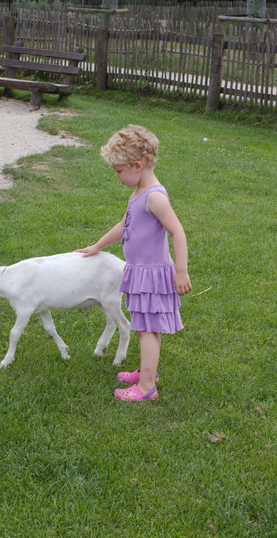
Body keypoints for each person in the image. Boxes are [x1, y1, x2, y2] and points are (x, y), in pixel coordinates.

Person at [77, 125, 191, 402]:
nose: (116, 176)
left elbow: (178, 231)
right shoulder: (140, 192)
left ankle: (147, 387)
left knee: (146, 330)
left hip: (151, 275)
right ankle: (147, 372)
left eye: (118, 171)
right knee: (147, 328)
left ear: (137, 166)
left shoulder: (154, 196)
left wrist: (182, 271)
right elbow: (125, 224)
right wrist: (97, 246)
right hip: (141, 273)